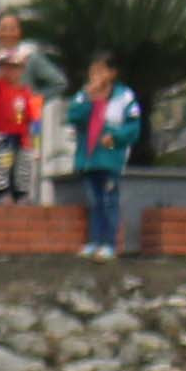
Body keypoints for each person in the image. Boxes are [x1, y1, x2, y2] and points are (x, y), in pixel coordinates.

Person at [71, 51, 144, 256]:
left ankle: (109, 243)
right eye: (93, 70)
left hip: (110, 154)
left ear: (112, 73)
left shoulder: (124, 96)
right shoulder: (82, 95)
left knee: (109, 200)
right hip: (89, 157)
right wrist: (88, 98)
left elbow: (134, 127)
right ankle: (94, 241)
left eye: (101, 70)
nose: (96, 75)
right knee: (94, 201)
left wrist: (116, 137)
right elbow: (74, 117)